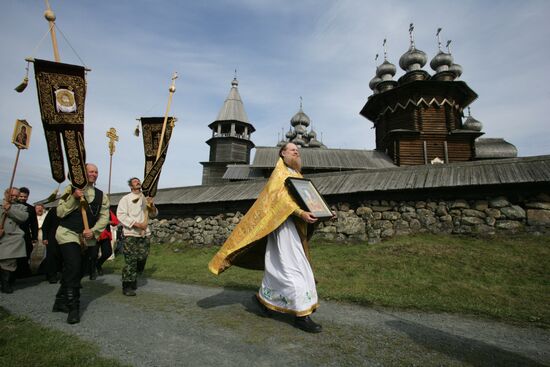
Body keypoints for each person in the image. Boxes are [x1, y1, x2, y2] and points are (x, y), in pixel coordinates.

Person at [209, 143, 323, 333]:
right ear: (282, 153)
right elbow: (280, 201)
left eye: (298, 150)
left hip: (293, 227)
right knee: (291, 268)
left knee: (281, 267)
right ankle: (302, 316)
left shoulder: (296, 175)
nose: (296, 151)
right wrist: (300, 213)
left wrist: (322, 212)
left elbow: (309, 199)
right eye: (292, 149)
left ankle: (264, 301)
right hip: (280, 226)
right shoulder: (279, 174)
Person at [53, 163, 109, 324]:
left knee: (78, 270)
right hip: (68, 233)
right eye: (90, 171)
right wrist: (74, 198)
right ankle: (73, 308)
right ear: (82, 173)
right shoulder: (69, 190)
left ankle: (60, 300)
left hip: (87, 237)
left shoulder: (101, 195)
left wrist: (94, 231)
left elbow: (104, 217)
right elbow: (60, 212)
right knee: (74, 265)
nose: (94, 174)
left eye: (96, 172)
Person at [116, 177, 158, 296]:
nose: (138, 182)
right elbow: (121, 214)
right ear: (131, 186)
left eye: (139, 181)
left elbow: (154, 214)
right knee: (131, 260)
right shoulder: (126, 199)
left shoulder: (146, 198)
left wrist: (152, 205)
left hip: (144, 234)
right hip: (131, 233)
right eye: (135, 181)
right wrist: (137, 224)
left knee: (142, 258)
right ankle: (127, 285)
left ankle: (133, 276)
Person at [0, 187, 28, 293]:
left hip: (12, 238)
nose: (14, 197)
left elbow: (23, 217)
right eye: (12, 195)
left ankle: (6, 284)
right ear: (6, 193)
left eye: (16, 195)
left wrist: (10, 209)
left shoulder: (20, 207)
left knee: (9, 261)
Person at [15, 187, 38, 278]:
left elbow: (34, 224)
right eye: (21, 196)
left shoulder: (31, 208)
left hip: (25, 234)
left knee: (26, 252)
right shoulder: (12, 206)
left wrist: (35, 237)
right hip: (13, 233)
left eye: (25, 197)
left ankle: (23, 272)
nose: (23, 198)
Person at [89, 210, 119, 279]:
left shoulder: (107, 211)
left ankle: (98, 264)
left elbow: (115, 221)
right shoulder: (91, 210)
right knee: (93, 255)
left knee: (108, 252)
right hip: (94, 236)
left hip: (105, 235)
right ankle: (92, 271)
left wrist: (108, 222)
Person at [42, 206, 62, 283]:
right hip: (52, 236)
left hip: (66, 236)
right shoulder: (54, 210)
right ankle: (51, 275)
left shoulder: (73, 210)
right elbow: (45, 225)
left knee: (63, 255)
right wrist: (45, 237)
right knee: (52, 256)